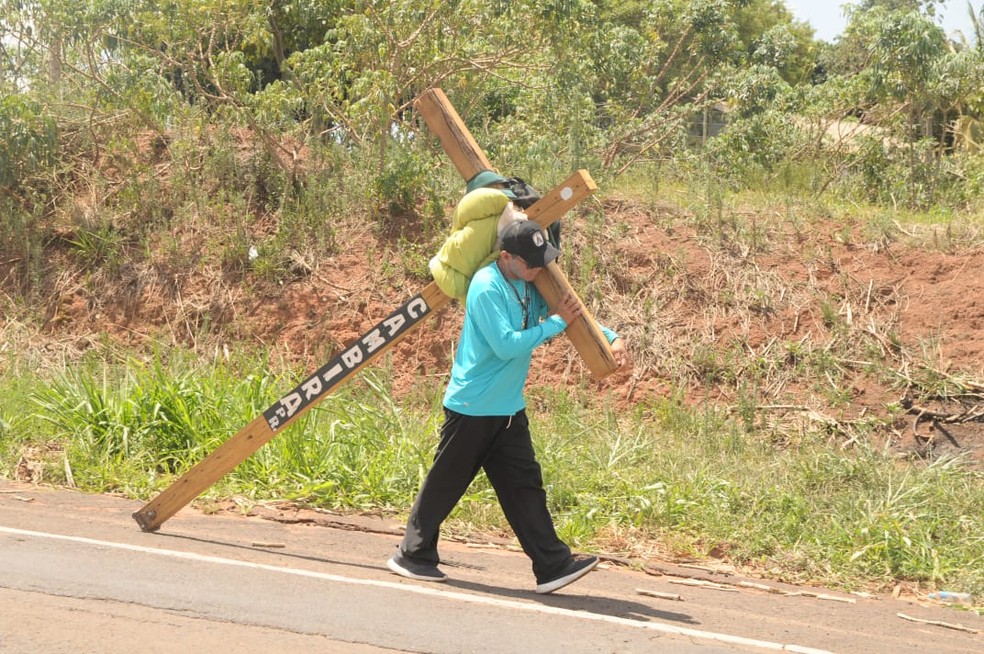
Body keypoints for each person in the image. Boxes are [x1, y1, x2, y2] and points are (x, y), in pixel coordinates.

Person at [388, 219, 628, 594]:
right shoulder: (486, 287)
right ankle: (412, 555)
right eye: (531, 262)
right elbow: (507, 345)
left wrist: (610, 338)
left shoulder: (530, 282)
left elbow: (570, 311)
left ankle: (552, 564)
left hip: (507, 410)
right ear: (506, 257)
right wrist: (554, 324)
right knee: (445, 485)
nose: (538, 268)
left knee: (524, 487)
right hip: (472, 407)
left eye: (542, 260)